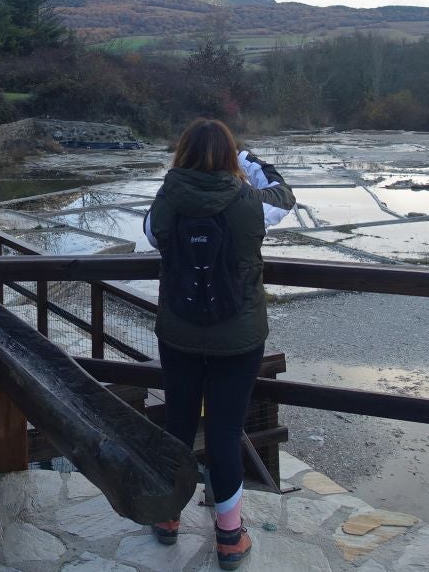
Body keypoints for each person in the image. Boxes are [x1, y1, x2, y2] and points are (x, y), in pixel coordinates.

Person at [143, 118, 295, 570]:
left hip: (179, 333)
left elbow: (151, 233)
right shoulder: (250, 202)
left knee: (177, 424)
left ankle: (167, 516)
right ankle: (229, 537)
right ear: (230, 157)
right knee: (225, 431)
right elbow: (285, 197)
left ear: (182, 153)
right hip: (238, 336)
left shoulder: (167, 197)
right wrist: (254, 163)